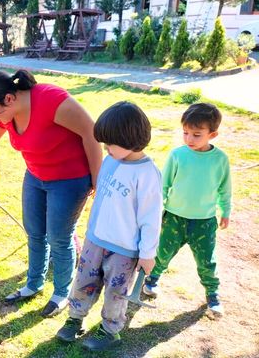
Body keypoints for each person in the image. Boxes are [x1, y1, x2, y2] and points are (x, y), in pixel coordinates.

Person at [0, 70, 102, 318]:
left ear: (9, 98)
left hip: (69, 179)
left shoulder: (51, 101)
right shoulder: (4, 115)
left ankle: (62, 293)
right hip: (35, 176)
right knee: (35, 232)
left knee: (60, 238)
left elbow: (91, 132)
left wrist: (97, 179)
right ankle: (34, 283)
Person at [54, 101, 162, 352]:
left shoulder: (147, 174)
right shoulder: (111, 161)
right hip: (96, 240)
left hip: (124, 249)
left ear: (130, 139)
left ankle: (110, 330)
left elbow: (151, 218)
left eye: (110, 144)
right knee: (83, 281)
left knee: (116, 291)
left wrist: (147, 254)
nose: (105, 148)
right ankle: (75, 319)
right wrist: (90, 231)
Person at [143, 103, 231, 319]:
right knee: (162, 253)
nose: (189, 139)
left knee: (206, 260)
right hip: (174, 217)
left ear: (213, 134)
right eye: (185, 133)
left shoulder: (220, 159)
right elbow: (164, 185)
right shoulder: (177, 155)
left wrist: (226, 211)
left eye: (197, 134)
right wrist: (158, 207)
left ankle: (213, 295)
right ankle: (151, 280)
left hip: (204, 221)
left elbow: (224, 188)